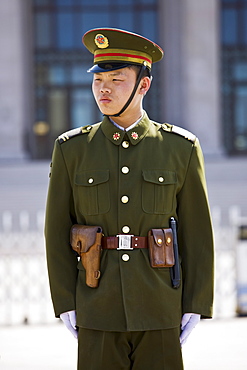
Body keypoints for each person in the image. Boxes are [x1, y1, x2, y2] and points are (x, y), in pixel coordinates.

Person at [45, 28, 214, 370]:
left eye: (117, 79)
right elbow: (56, 231)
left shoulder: (180, 149)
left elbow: (198, 234)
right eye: (98, 80)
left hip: (160, 304)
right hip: (97, 305)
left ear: (144, 85)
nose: (103, 88)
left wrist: (195, 302)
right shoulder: (72, 150)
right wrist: (65, 300)